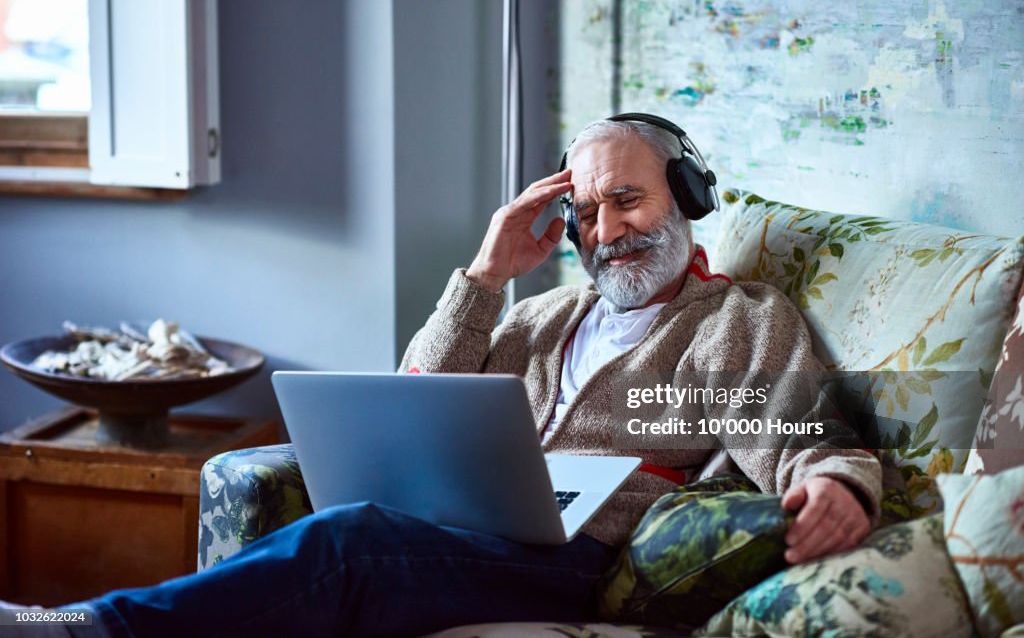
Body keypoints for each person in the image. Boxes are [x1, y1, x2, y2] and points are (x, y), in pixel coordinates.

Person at [2, 115, 880, 638]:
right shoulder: (543, 315)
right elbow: (416, 394)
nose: (605, 229)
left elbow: (800, 427)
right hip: (462, 526)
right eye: (583, 211)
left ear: (686, 196)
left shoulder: (733, 320)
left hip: (578, 556)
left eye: (628, 199)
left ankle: (87, 626)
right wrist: (487, 276)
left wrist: (841, 484)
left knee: (348, 541)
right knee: (338, 531)